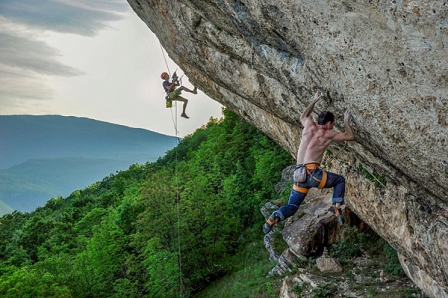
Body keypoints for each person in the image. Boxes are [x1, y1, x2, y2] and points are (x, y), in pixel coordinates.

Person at [263, 90, 355, 234]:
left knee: (292, 206)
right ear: (329, 123)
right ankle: (335, 207)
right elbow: (350, 136)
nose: (333, 126)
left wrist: (314, 100)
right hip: (313, 174)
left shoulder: (308, 126)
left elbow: (303, 116)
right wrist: (346, 121)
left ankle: (275, 216)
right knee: (340, 181)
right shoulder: (328, 133)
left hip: (299, 175)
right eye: (333, 124)